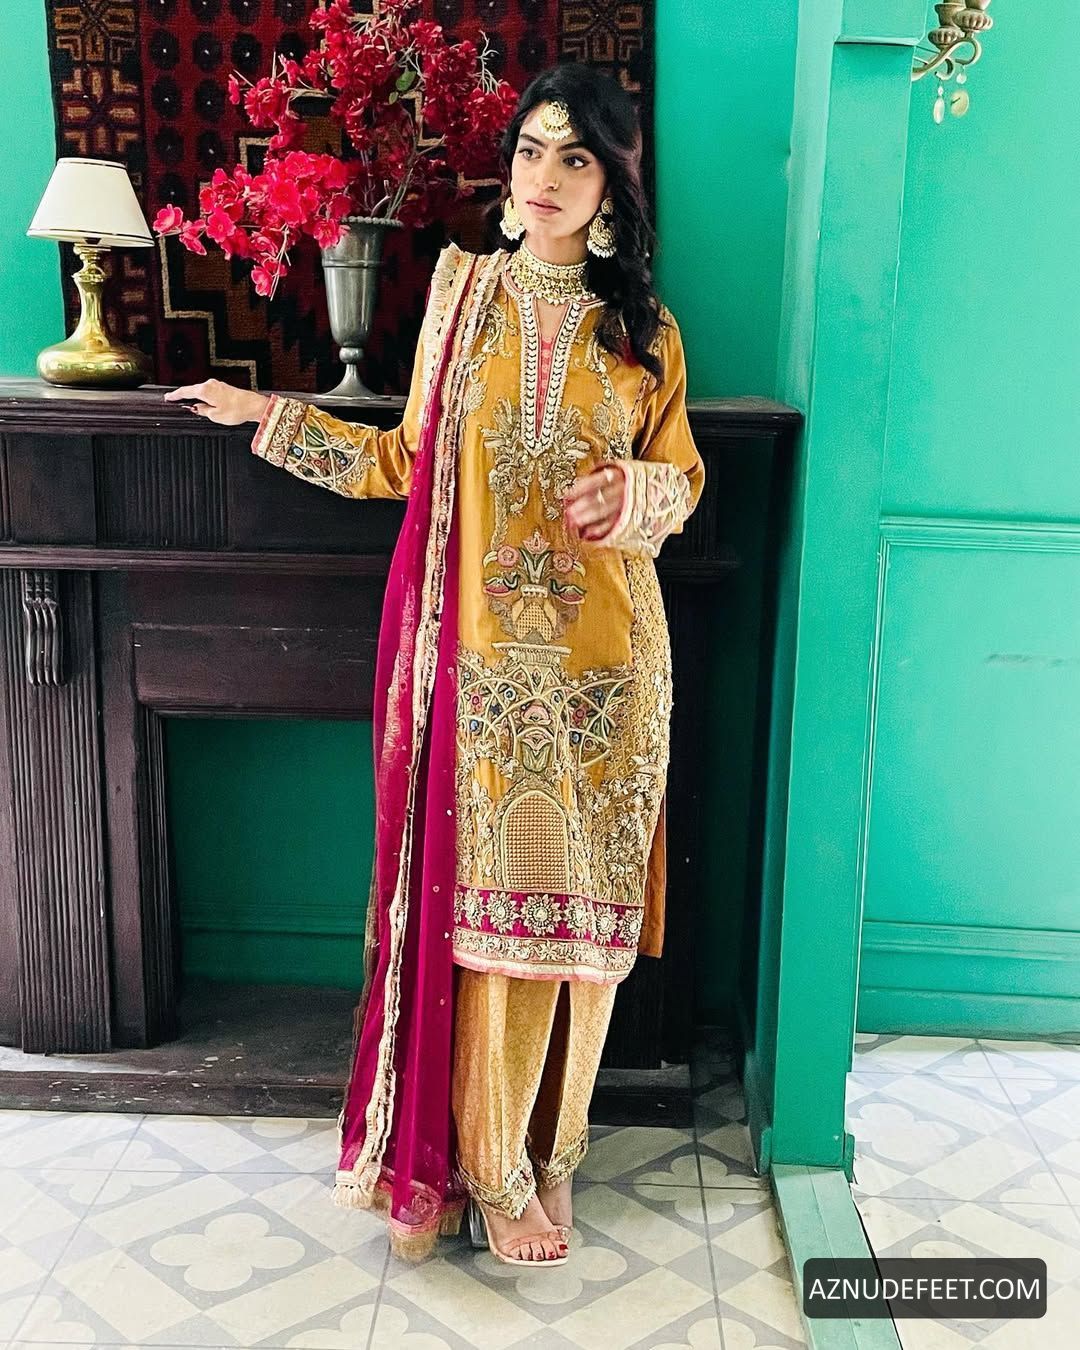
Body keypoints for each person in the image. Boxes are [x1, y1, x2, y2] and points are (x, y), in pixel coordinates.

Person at [165, 62, 704, 1269]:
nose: (546, 176)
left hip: (612, 671)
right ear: (508, 173)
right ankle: (494, 1173)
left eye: (575, 157)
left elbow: (681, 482)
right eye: (531, 152)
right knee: (497, 939)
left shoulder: (647, 334)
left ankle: (557, 1153)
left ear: (612, 186)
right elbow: (402, 462)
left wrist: (635, 494)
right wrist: (265, 419)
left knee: (587, 941)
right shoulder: (464, 297)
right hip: (483, 673)